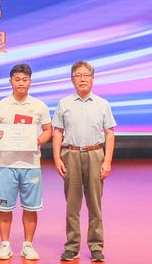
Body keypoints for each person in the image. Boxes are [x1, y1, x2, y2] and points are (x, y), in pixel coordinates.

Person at [52, 61, 116, 263]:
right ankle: (72, 247)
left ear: (92, 79)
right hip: (70, 155)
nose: (82, 79)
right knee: (72, 205)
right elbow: (57, 132)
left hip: (95, 154)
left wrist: (107, 160)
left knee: (95, 204)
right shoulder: (64, 103)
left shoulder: (102, 104)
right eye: (78, 75)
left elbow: (109, 133)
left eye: (86, 75)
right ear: (72, 80)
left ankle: (96, 246)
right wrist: (57, 158)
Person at [0, 63, 52, 261]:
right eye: (17, 79)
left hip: (31, 165)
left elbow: (48, 130)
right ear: (10, 81)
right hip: (7, 165)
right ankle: (5, 245)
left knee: (31, 208)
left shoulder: (39, 106)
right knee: (4, 208)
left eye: (25, 80)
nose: (21, 83)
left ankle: (28, 245)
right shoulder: (0, 106)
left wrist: (37, 140)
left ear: (30, 82)